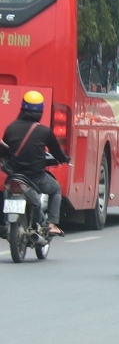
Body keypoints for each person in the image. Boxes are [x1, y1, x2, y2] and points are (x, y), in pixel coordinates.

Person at [0, 91, 69, 236]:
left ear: (22, 108)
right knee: (56, 189)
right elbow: (57, 153)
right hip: (36, 177)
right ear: (40, 111)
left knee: (6, 192)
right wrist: (64, 159)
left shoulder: (11, 128)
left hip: (14, 175)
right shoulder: (44, 131)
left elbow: (4, 152)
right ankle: (52, 223)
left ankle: (4, 222)